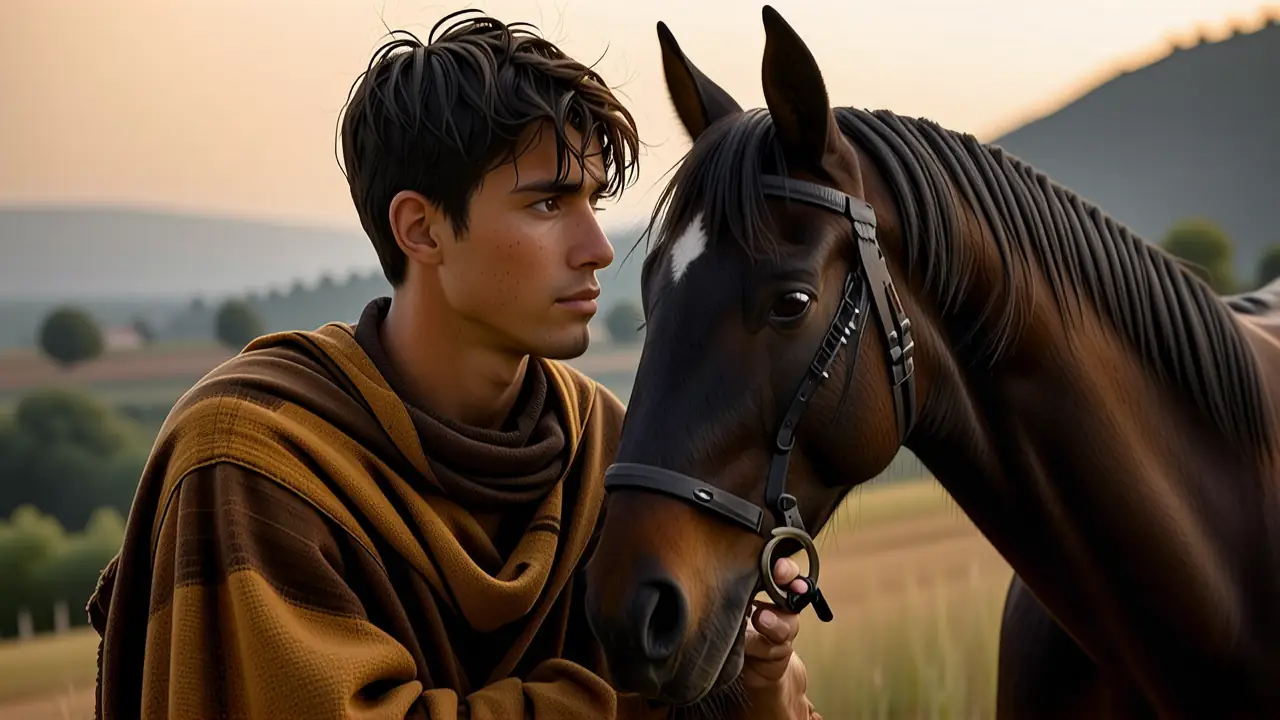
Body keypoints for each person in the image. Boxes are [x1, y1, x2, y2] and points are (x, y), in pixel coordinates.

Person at [87, 9, 820, 719]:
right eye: (548, 204)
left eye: (594, 199)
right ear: (421, 228)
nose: (598, 247)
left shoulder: (602, 445)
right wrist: (641, 694)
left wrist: (743, 675)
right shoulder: (255, 460)